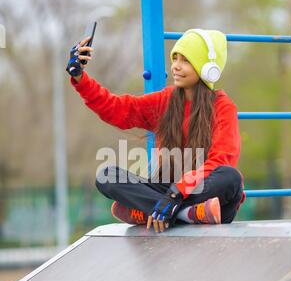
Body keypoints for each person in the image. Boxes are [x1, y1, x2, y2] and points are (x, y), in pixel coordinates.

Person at [66, 28, 246, 233]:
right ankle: (185, 214)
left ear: (208, 69)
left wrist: (176, 193)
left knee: (230, 177)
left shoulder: (222, 107)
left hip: (203, 193)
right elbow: (118, 109)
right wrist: (80, 78)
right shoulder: (166, 100)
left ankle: (150, 210)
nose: (176, 67)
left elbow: (221, 160)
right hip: (170, 192)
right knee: (106, 176)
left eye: (185, 61)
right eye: (175, 58)